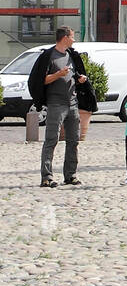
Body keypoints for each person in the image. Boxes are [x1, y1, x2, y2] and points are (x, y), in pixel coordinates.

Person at [27, 27, 90, 187]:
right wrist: (58, 75)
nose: (74, 40)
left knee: (73, 140)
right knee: (51, 140)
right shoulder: (48, 56)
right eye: (72, 37)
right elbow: (41, 80)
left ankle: (70, 175)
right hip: (56, 104)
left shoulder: (72, 55)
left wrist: (80, 79)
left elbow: (74, 75)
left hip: (73, 103)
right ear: (65, 38)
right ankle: (47, 177)